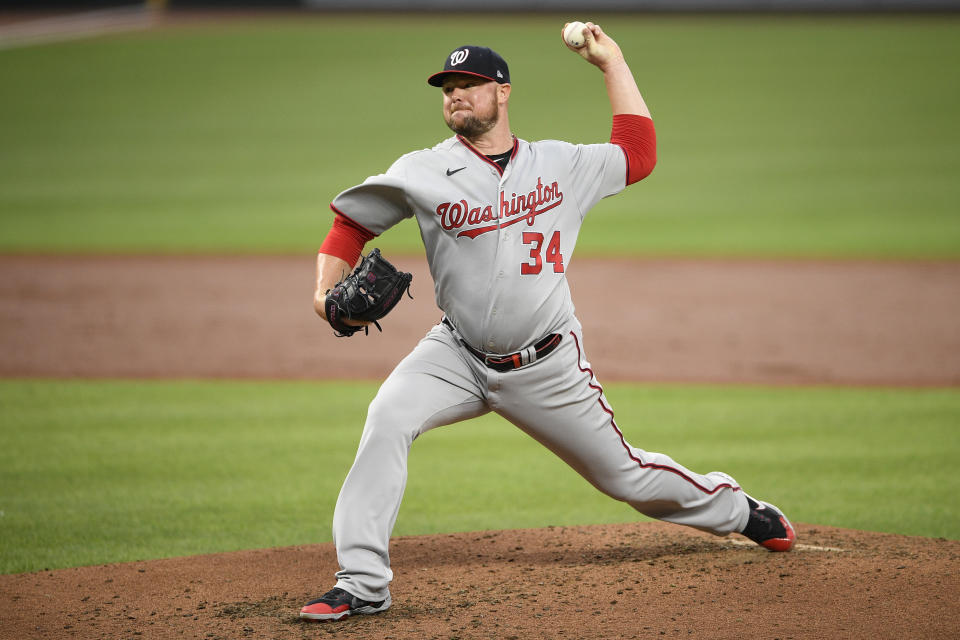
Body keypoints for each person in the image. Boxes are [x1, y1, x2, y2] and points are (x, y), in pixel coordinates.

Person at [300, 23, 796, 623]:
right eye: (447, 87)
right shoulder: (421, 170)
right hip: (455, 355)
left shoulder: (560, 165)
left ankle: (735, 509)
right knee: (386, 418)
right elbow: (349, 224)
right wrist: (327, 294)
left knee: (626, 477)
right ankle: (362, 582)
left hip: (548, 363)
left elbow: (639, 155)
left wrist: (611, 62)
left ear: (502, 93)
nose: (455, 94)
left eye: (469, 84)